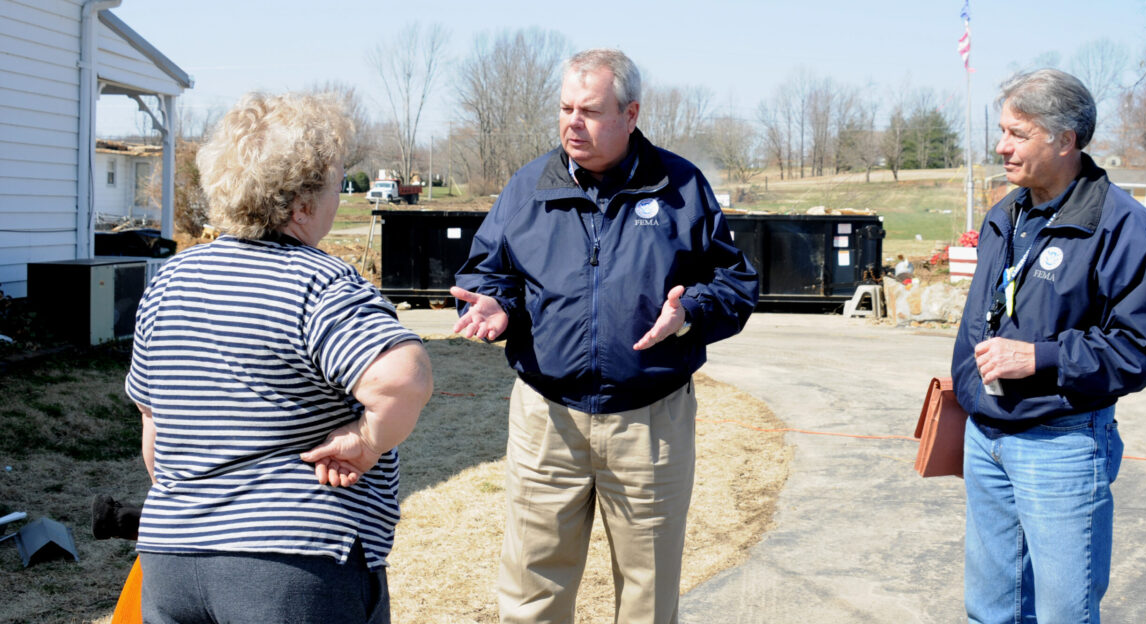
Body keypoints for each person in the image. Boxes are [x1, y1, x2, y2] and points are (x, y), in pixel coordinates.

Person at [452, 48, 758, 623]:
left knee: (648, 595)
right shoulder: (527, 187)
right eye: (566, 108)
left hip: (650, 422)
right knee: (531, 589)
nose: (573, 121)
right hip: (548, 419)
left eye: (589, 110)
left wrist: (689, 310)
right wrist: (497, 305)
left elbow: (735, 285)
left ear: (630, 113)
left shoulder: (681, 187)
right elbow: (490, 272)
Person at [125, 92, 433, 624]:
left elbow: (154, 434)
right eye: (336, 182)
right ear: (302, 205)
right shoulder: (320, 282)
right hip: (293, 568)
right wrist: (364, 442)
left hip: (172, 560)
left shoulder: (169, 280)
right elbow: (405, 377)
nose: (340, 195)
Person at [951, 69, 1146, 623]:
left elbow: (1143, 346)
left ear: (1065, 140)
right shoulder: (1005, 215)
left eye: (1017, 134)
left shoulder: (1122, 225)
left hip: (1062, 443)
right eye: (1002, 131)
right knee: (990, 611)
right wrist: (967, 388)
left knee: (1063, 615)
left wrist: (1041, 358)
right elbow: (980, 319)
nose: (1001, 147)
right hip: (987, 439)